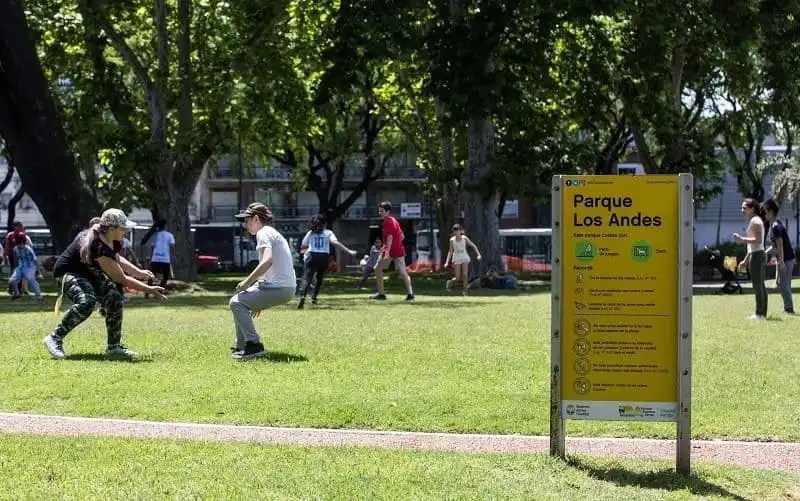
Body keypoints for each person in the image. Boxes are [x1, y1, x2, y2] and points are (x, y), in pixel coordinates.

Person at [43, 209, 166, 360]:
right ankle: (54, 338)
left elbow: (117, 259)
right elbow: (121, 278)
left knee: (114, 298)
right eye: (123, 227)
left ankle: (113, 347)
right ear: (112, 229)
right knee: (86, 301)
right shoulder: (98, 244)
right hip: (69, 272)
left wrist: (138, 272)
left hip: (89, 272)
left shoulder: (111, 239)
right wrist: (150, 289)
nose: (126, 230)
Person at [229, 203, 297, 360]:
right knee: (240, 300)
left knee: (236, 303)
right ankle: (242, 346)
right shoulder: (271, 232)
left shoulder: (263, 233)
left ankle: (253, 345)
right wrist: (257, 295)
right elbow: (269, 269)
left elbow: (267, 261)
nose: (245, 226)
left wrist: (247, 282)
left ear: (256, 219)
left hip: (280, 287)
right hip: (285, 287)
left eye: (246, 221)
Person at [298, 214, 357, 309]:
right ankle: (314, 297)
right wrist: (348, 251)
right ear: (324, 224)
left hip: (312, 255)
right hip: (323, 256)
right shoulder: (328, 232)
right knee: (319, 277)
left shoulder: (310, 233)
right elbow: (335, 243)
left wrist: (305, 255)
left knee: (306, 277)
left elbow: (304, 244)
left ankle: (302, 296)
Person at [372, 202, 414, 301]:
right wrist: (396, 244)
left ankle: (381, 294)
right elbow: (402, 236)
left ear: (388, 212)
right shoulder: (394, 220)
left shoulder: (388, 222)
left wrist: (387, 253)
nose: (380, 213)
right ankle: (410, 294)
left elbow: (390, 237)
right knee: (403, 272)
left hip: (389, 251)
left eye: (382, 211)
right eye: (379, 211)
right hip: (399, 250)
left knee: (377, 268)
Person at [733, 198, 767, 320]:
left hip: (757, 256)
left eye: (744, 208)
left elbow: (757, 240)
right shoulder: (755, 220)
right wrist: (746, 260)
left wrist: (741, 239)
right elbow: (754, 245)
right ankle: (762, 313)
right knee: (761, 285)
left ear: (752, 209)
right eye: (741, 208)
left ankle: (759, 314)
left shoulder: (755, 221)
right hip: (757, 254)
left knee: (757, 285)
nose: (742, 210)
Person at [762, 198, 795, 314]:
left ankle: (789, 308)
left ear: (771, 212)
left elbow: (780, 246)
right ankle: (788, 307)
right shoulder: (774, 225)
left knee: (783, 285)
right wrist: (765, 252)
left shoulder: (776, 226)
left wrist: (781, 262)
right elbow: (775, 245)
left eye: (765, 211)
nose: (764, 213)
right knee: (785, 284)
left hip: (786, 258)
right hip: (785, 258)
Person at [444, 224, 482, 295]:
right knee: (458, 278)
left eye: (458, 231)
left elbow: (473, 245)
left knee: (465, 275)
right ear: (454, 232)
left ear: (460, 231)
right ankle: (450, 282)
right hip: (457, 257)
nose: (457, 232)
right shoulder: (452, 240)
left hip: (464, 256)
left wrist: (478, 254)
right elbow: (450, 251)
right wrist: (447, 262)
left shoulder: (464, 238)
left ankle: (465, 292)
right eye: (455, 231)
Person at [8, 231, 43, 302]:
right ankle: (17, 293)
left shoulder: (29, 249)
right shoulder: (15, 249)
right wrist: (15, 269)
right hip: (20, 267)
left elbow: (35, 261)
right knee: (12, 281)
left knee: (30, 279)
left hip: (30, 267)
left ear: (23, 243)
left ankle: (39, 296)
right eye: (17, 244)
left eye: (20, 244)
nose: (19, 246)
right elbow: (16, 260)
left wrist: (39, 272)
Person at [149, 220, 175, 289]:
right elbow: (172, 246)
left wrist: (151, 258)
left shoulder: (155, 235)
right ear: (165, 226)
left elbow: (152, 247)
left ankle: (147, 291)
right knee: (165, 276)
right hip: (165, 259)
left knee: (152, 275)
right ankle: (159, 289)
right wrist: (172, 255)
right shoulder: (170, 235)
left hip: (155, 258)